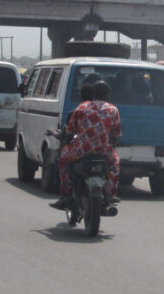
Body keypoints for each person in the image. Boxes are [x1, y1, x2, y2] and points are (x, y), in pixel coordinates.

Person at [52, 81, 122, 210]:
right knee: (115, 163)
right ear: (107, 95)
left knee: (62, 159)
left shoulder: (81, 108)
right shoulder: (113, 109)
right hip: (103, 151)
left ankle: (66, 195)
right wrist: (110, 148)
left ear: (93, 94)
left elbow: (70, 132)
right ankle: (110, 192)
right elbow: (116, 135)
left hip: (81, 150)